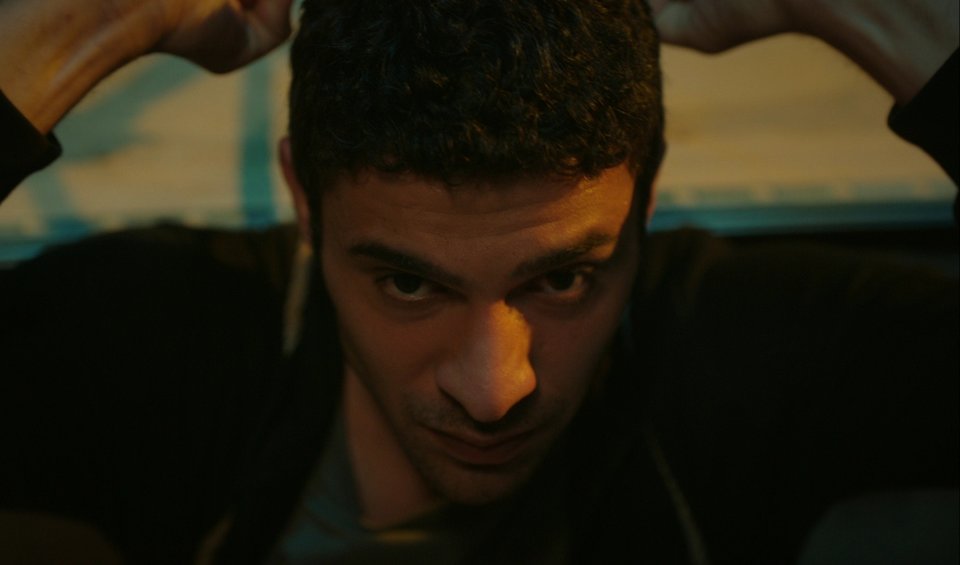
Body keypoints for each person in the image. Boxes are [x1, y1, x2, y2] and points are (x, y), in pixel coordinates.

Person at [1, 1, 956, 564]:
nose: (494, 390)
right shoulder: (160, 339)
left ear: (647, 199)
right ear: (304, 200)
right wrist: (79, 24)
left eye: (565, 279)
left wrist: (875, 10)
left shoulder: (731, 352)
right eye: (407, 285)